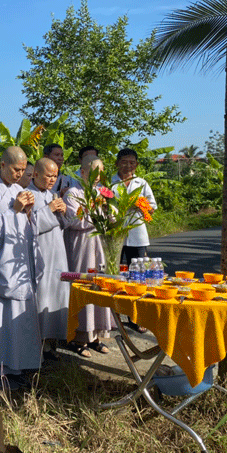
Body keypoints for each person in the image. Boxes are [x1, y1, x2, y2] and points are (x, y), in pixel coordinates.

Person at [0, 146, 41, 388]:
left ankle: (15, 365)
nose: (19, 174)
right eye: (16, 169)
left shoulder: (19, 190)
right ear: (2, 165)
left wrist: (28, 212)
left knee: (18, 318)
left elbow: (26, 226)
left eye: (23, 170)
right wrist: (14, 210)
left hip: (18, 260)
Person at [63, 156, 116, 358]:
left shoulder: (101, 192)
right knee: (83, 285)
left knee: (98, 285)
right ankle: (78, 338)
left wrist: (110, 212)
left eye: (101, 172)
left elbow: (109, 216)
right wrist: (96, 214)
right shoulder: (73, 193)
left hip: (99, 245)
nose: (97, 177)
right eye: (94, 172)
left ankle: (96, 337)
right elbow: (74, 222)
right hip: (81, 245)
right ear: (83, 172)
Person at [112, 148, 157, 334]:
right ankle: (113, 318)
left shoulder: (142, 183)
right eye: (124, 162)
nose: (128, 166)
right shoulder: (110, 184)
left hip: (137, 235)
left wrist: (141, 206)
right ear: (117, 163)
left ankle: (136, 318)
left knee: (137, 277)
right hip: (115, 235)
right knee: (116, 274)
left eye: (132, 162)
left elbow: (152, 206)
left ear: (136, 165)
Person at [28, 158, 69, 360]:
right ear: (35, 174)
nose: (52, 179)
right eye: (48, 175)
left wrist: (63, 211)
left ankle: (52, 342)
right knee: (42, 295)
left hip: (57, 250)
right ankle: (37, 344)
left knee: (57, 294)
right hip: (40, 251)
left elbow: (64, 223)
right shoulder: (27, 195)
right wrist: (49, 210)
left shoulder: (51, 194)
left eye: (55, 176)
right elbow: (28, 227)